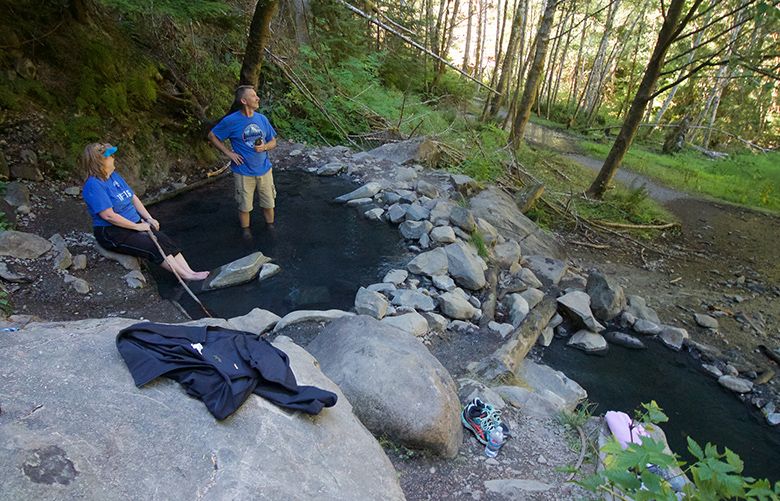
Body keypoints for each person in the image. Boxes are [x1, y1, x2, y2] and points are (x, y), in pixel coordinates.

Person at [80, 142, 209, 281]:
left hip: (133, 223)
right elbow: (108, 216)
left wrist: (148, 218)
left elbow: (133, 197)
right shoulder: (93, 185)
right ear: (100, 161)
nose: (113, 157)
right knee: (152, 246)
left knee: (163, 239)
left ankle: (190, 271)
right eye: (110, 156)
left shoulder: (114, 176)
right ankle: (184, 276)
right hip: (112, 232)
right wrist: (137, 227)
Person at [208, 85, 278, 236]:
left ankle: (271, 229)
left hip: (264, 169)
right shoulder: (231, 121)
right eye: (253, 96)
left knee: (269, 203)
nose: (257, 98)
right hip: (243, 172)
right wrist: (229, 153)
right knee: (245, 206)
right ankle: (246, 234)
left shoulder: (262, 119)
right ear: (244, 101)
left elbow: (273, 141)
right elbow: (212, 135)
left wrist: (265, 147)